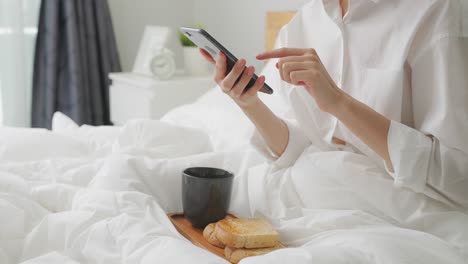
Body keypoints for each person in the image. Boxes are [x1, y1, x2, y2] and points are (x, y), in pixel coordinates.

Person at [200, 0, 468, 210]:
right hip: (308, 195)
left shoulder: (434, 12)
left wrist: (340, 103)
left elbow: (459, 178)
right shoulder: (302, 23)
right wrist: (249, 103)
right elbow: (295, 148)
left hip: (393, 212)